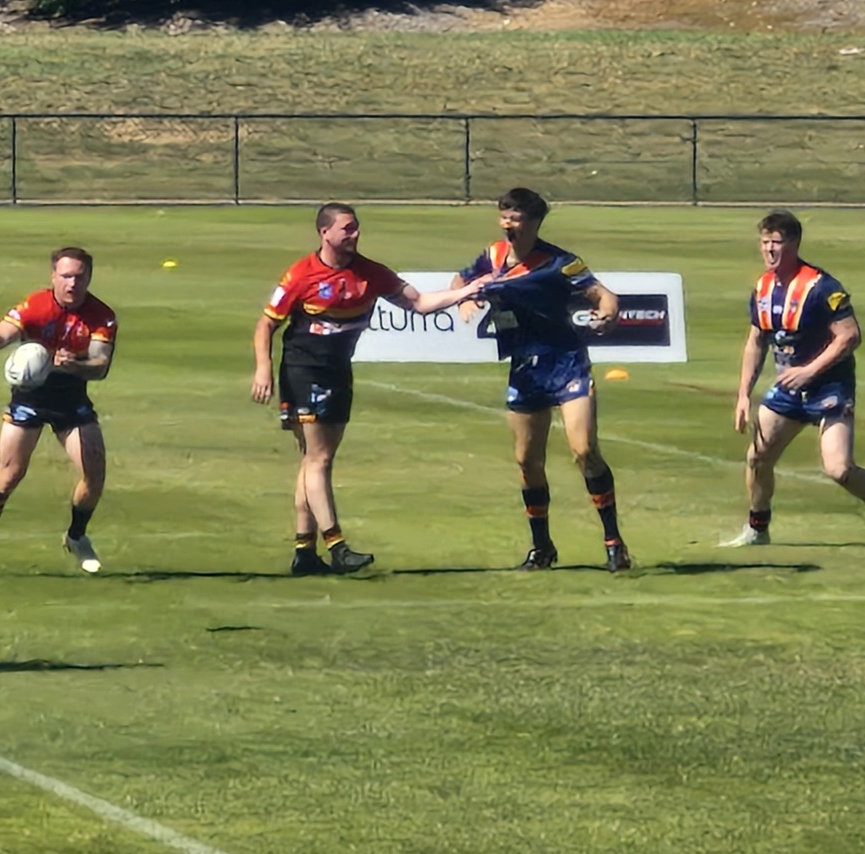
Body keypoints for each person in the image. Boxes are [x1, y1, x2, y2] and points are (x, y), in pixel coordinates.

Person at [251, 203, 496, 575]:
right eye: (347, 229)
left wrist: (470, 290)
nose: (354, 234)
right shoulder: (302, 274)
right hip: (304, 371)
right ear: (324, 233)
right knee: (320, 459)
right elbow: (266, 325)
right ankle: (337, 546)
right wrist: (264, 368)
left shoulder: (371, 273)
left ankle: (304, 553)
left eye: (356, 228)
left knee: (313, 460)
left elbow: (421, 303)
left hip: (338, 373)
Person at [451, 187, 630, 572]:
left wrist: (607, 315)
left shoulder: (559, 262)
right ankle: (542, 548)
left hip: (567, 363)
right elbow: (460, 279)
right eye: (503, 216)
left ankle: (614, 541)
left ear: (533, 223)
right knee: (527, 461)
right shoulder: (493, 255)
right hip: (524, 368)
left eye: (514, 219)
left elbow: (604, 295)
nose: (506, 225)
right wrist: (465, 298)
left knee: (583, 450)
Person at [722, 210, 865, 545]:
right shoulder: (763, 287)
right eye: (764, 242)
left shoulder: (821, 287)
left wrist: (810, 371)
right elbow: (756, 340)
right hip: (788, 388)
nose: (769, 250)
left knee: (839, 469)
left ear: (793, 244)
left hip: (829, 387)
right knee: (758, 457)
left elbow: (850, 336)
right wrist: (743, 394)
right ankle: (758, 528)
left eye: (776, 243)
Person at [0, 247, 116, 580]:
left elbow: (101, 366)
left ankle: (76, 536)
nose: (73, 283)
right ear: (53, 276)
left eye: (80, 276)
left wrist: (76, 365)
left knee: (95, 474)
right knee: (9, 475)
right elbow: (2, 333)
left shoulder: (102, 316)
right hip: (29, 399)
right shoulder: (35, 305)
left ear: (89, 277)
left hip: (71, 401)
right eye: (66, 276)